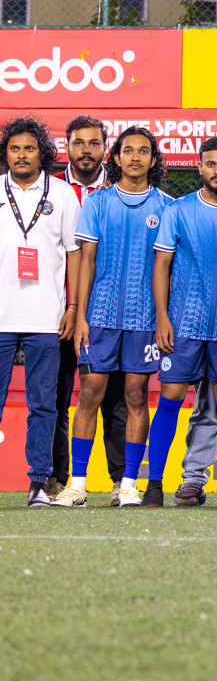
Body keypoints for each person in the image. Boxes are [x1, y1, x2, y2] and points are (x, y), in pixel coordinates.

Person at [53, 128, 171, 508]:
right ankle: (78, 483)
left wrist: (163, 318)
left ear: (153, 160)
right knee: (88, 394)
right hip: (100, 317)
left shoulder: (168, 207)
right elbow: (85, 261)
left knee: (137, 396)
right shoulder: (98, 203)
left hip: (144, 320)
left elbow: (169, 269)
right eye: (127, 151)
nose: (135, 157)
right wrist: (81, 314)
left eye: (143, 151)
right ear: (116, 158)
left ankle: (128, 484)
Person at [145, 137, 217, 509]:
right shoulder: (178, 210)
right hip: (184, 324)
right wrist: (163, 318)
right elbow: (161, 265)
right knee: (170, 399)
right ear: (199, 167)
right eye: (211, 164)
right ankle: (154, 485)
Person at [0, 117, 81, 507]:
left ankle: (38, 483)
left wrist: (72, 307)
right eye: (14, 149)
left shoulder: (63, 194)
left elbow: (76, 254)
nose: (21, 155)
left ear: (43, 153)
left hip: (47, 320)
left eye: (29, 148)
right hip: (1, 318)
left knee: (44, 404)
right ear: (6, 154)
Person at [51, 114, 117, 501]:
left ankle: (118, 482)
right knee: (57, 399)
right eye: (79, 143)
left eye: (94, 143)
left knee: (113, 400)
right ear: (68, 147)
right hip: (59, 311)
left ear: (104, 148)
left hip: (108, 311)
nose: (86, 150)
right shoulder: (52, 191)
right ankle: (57, 478)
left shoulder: (120, 190)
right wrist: (70, 306)